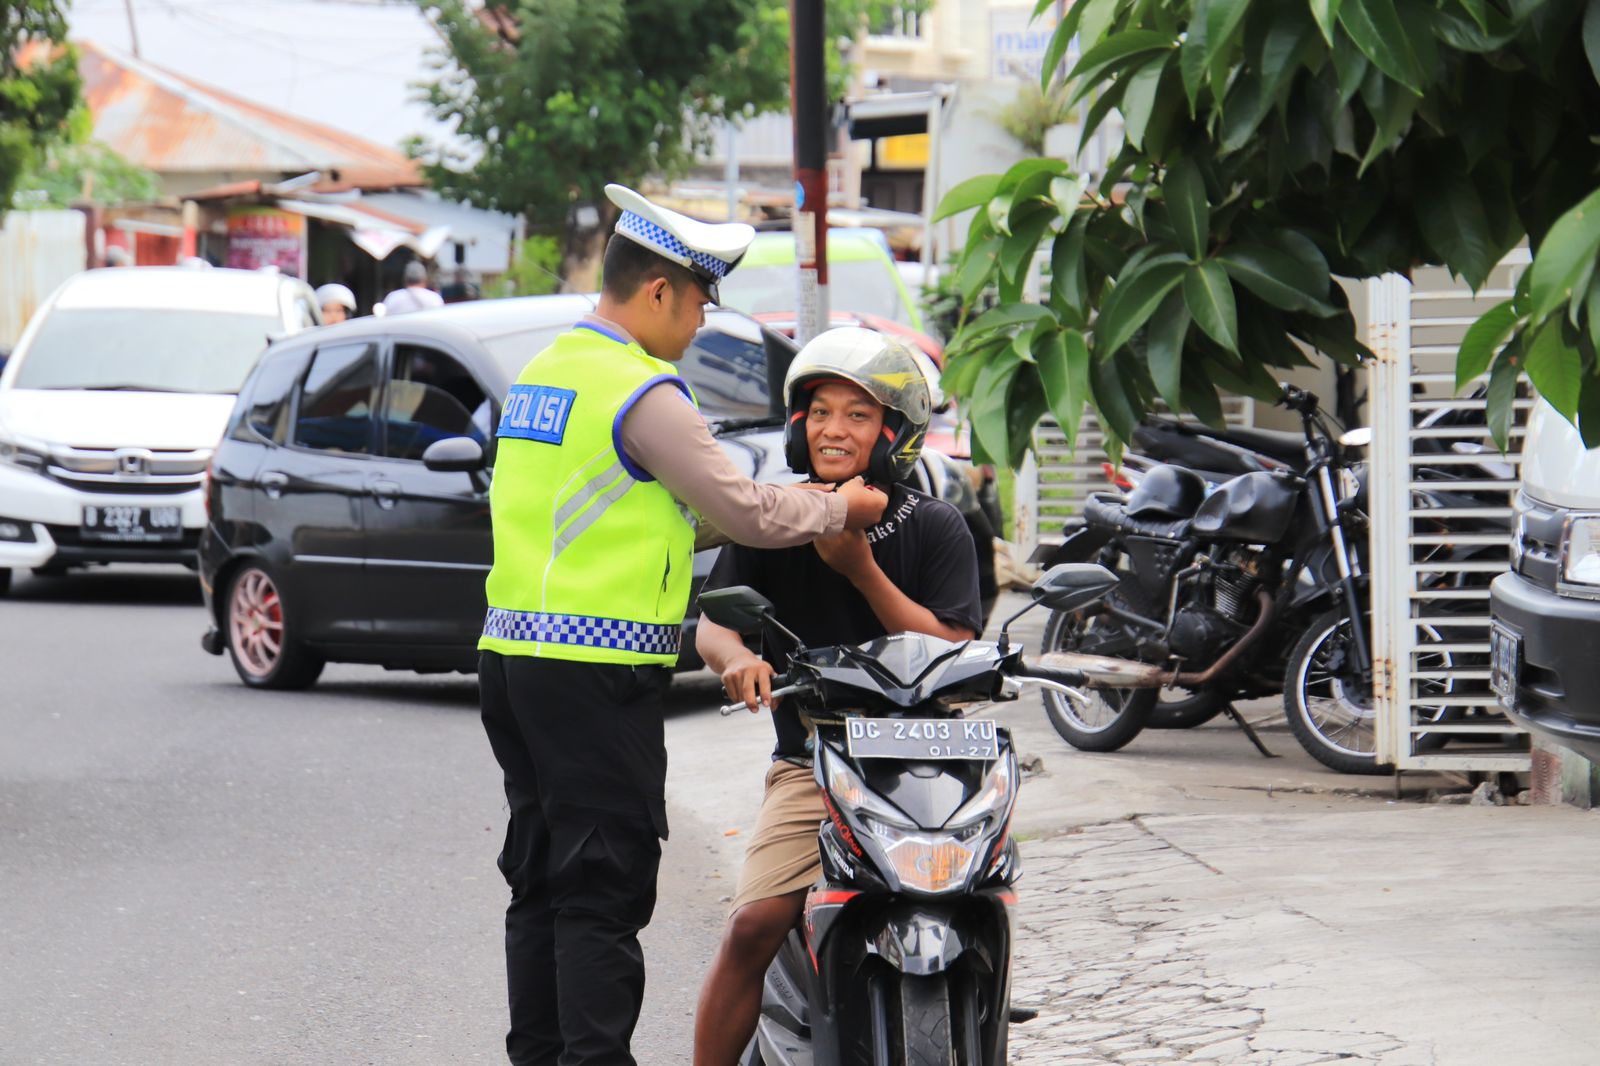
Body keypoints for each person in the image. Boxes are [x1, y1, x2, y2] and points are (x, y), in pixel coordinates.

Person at [478, 184, 890, 1066]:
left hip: (513, 661)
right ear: (658, 290)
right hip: (592, 673)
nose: (704, 320)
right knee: (601, 885)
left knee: (542, 882)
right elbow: (742, 509)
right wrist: (833, 507)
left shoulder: (547, 373)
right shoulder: (640, 389)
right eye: (702, 299)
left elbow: (632, 511)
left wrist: (791, 504)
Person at [690, 327, 985, 1065]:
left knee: (981, 906)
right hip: (814, 759)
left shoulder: (937, 525)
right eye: (819, 411)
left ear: (895, 432)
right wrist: (736, 661)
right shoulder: (776, 518)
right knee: (754, 923)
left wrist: (862, 570)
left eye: (857, 414)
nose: (833, 429)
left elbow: (951, 645)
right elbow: (715, 628)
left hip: (929, 762)